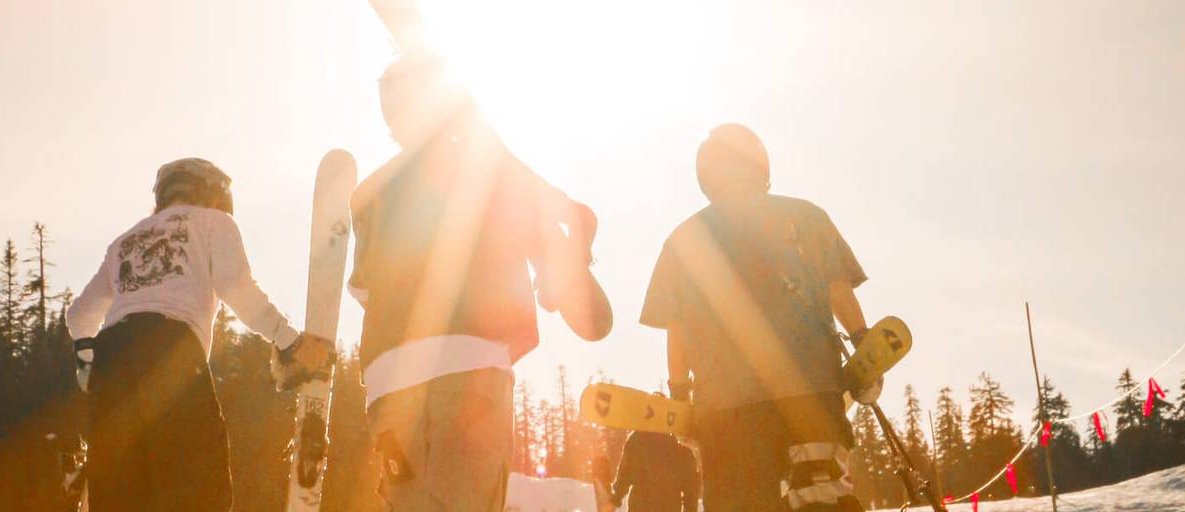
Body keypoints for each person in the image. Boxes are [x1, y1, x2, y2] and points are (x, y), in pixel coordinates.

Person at [349, 53, 613, 511]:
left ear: (391, 119)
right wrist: (559, 271)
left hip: (388, 380)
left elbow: (365, 292)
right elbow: (561, 275)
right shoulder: (488, 169)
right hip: (468, 362)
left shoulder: (368, 193)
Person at [66, 158, 332, 511]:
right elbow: (237, 288)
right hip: (169, 352)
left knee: (123, 499)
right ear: (213, 194)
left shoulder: (124, 242)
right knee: (201, 492)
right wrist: (290, 343)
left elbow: (80, 315)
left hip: (112, 362)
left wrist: (87, 363)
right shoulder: (213, 222)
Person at [639, 124, 879, 511]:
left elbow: (677, 330)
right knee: (821, 501)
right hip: (811, 398)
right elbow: (839, 291)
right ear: (760, 165)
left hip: (727, 412)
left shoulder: (685, 240)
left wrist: (681, 395)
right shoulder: (807, 217)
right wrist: (865, 347)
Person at [610, 419, 701, 512]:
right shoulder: (682, 450)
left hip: (641, 506)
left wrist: (615, 498)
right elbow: (691, 488)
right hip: (666, 506)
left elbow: (625, 473)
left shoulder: (638, 439)